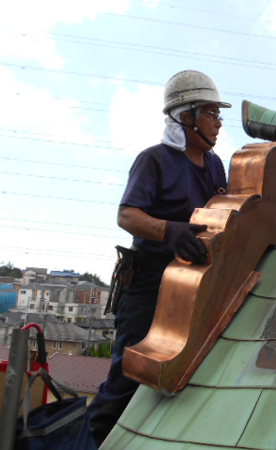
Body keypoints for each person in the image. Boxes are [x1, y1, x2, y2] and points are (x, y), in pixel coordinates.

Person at [87, 70, 231, 447]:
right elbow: (127, 216)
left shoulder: (216, 167)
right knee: (127, 376)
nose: (218, 123)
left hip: (192, 284)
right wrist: (170, 231)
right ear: (186, 117)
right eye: (212, 114)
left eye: (219, 115)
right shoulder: (154, 160)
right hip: (148, 285)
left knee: (181, 375)